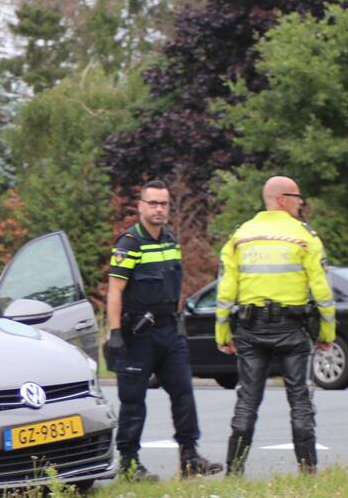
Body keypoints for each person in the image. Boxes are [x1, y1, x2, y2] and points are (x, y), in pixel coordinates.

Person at [215, 175, 336, 475]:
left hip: (250, 328)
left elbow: (225, 291)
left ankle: (234, 471)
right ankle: (308, 471)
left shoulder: (240, 236)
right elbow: (322, 292)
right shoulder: (305, 237)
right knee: (300, 400)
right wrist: (326, 332)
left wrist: (223, 332)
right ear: (282, 199)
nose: (301, 203)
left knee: (247, 400)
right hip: (292, 329)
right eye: (297, 197)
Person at [104, 180, 222, 481]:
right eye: (153, 203)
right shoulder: (129, 243)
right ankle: (129, 463)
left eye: (164, 204)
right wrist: (115, 332)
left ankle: (190, 456)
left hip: (169, 331)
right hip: (138, 334)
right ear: (140, 206)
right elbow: (115, 290)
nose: (159, 209)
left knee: (183, 392)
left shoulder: (170, 240)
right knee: (133, 400)